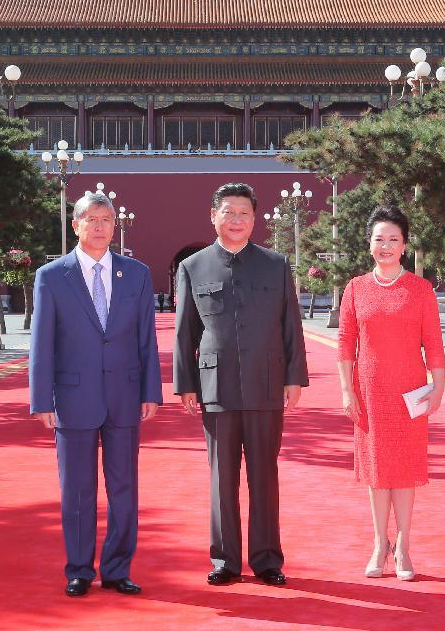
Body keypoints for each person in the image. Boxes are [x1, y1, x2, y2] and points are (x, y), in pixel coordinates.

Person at [174, 182, 309, 587]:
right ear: (213, 216)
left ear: (254, 219)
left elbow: (291, 326)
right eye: (228, 212)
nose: (236, 220)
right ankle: (225, 559)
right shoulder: (193, 267)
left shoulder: (275, 264)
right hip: (217, 387)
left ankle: (267, 559)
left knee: (264, 475)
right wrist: (186, 384)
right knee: (222, 477)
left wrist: (294, 377)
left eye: (244, 213)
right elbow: (185, 333)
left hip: (267, 383)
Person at [29, 192, 162, 597]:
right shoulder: (52, 276)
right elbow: (42, 343)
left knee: (124, 488)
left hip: (124, 396)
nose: (101, 226)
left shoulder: (136, 274)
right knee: (78, 490)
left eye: (107, 219)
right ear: (76, 225)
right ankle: (80, 569)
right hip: (73, 398)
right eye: (92, 219)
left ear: (114, 225)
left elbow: (146, 339)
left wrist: (150, 391)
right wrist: (41, 400)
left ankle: (118, 567)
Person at [336, 204, 445, 581]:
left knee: (405, 470)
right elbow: (345, 343)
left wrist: (439, 386)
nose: (386, 246)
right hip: (369, 391)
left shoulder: (420, 289)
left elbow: (433, 341)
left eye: (393, 240)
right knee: (377, 471)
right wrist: (347, 391)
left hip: (409, 391)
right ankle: (379, 544)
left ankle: (404, 546)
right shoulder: (355, 288)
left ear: (404, 245)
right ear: (369, 244)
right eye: (379, 239)